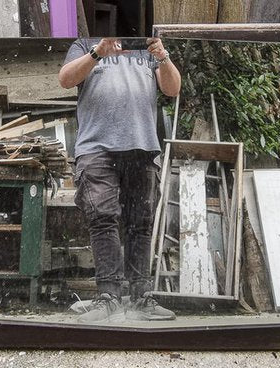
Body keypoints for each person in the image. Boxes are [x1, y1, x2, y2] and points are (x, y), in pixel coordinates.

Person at [58, 37, 181, 323]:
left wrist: (161, 54)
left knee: (141, 224)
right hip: (95, 148)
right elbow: (65, 79)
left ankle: (141, 299)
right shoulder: (85, 44)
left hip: (142, 146)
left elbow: (172, 88)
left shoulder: (149, 46)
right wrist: (98, 52)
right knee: (102, 219)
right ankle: (109, 298)